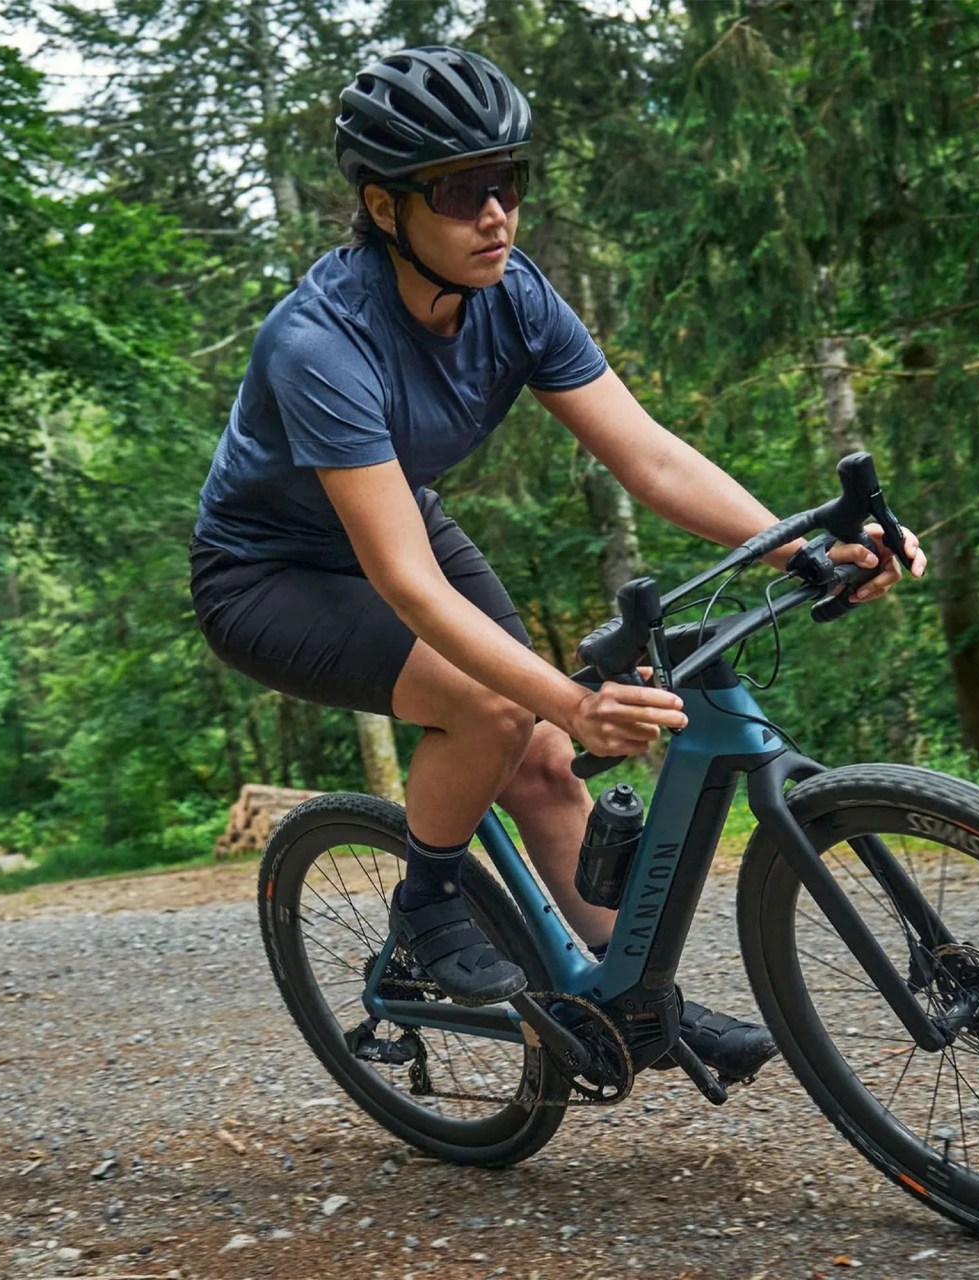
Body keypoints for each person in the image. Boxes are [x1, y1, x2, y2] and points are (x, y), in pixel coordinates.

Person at [191, 46, 923, 1081]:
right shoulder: (321, 342)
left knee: (537, 756)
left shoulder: (515, 295)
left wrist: (801, 547)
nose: (497, 214)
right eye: (461, 192)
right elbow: (406, 584)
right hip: (267, 575)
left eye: (509, 181)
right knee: (499, 709)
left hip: (401, 523)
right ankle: (424, 912)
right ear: (384, 207)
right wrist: (573, 703)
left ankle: (634, 1000)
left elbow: (649, 456)